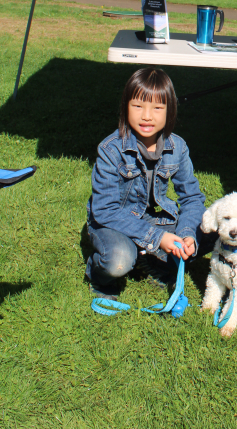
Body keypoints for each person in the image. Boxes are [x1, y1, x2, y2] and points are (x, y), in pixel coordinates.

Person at [86, 67, 206, 299]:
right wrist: (158, 238)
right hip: (112, 223)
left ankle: (151, 259)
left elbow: (191, 198)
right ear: (125, 107)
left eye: (157, 108)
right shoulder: (110, 149)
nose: (147, 116)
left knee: (212, 229)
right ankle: (100, 276)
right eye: (138, 106)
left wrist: (188, 233)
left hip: (152, 220)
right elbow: (105, 210)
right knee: (119, 260)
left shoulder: (178, 147)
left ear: (169, 111)